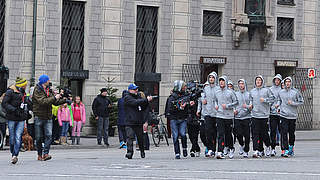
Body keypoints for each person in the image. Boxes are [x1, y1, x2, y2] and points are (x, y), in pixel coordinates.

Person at [32, 74, 66, 161]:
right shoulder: (37, 90)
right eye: (47, 80)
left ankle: (46, 153)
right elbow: (43, 102)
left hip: (48, 116)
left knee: (49, 135)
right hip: (39, 116)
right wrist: (54, 97)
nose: (48, 81)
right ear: (44, 81)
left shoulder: (48, 90)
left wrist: (63, 99)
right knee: (39, 137)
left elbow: (54, 102)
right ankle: (39, 154)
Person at [1, 77, 32, 164]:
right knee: (12, 138)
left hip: (21, 118)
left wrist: (29, 107)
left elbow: (26, 104)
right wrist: (14, 109)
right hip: (12, 117)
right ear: (22, 85)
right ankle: (12, 152)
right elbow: (4, 103)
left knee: (18, 137)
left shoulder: (24, 93)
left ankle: (15, 155)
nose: (26, 86)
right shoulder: (10, 92)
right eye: (25, 84)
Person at [167, 80, 195, 159]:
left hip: (183, 118)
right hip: (174, 119)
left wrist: (190, 105)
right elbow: (170, 109)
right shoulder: (172, 97)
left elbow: (189, 107)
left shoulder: (186, 95)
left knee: (183, 134)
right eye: (183, 87)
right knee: (175, 136)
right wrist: (179, 107)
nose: (185, 88)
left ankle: (184, 148)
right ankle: (177, 152)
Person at [123, 83, 152, 159]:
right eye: (134, 89)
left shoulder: (139, 97)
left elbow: (143, 107)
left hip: (138, 121)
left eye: (137, 89)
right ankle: (129, 152)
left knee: (140, 138)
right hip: (129, 121)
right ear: (130, 90)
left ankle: (142, 151)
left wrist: (146, 102)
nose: (136, 90)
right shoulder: (127, 97)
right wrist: (145, 100)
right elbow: (134, 103)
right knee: (130, 136)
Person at [249, 75, 275, 158]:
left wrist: (265, 100)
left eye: (260, 80)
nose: (258, 82)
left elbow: (273, 99)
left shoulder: (267, 90)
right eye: (257, 80)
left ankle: (268, 146)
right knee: (255, 134)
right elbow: (250, 100)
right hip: (254, 115)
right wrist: (250, 105)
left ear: (262, 81)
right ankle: (256, 150)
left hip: (264, 115)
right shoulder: (252, 91)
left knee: (264, 134)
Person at [277, 77, 304, 157]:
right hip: (283, 115)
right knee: (284, 133)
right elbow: (279, 100)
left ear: (291, 83)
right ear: (284, 83)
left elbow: (301, 102)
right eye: (286, 82)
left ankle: (291, 146)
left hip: (292, 116)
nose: (287, 83)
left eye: (289, 82)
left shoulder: (295, 92)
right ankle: (285, 150)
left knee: (291, 133)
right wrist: (278, 106)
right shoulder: (281, 92)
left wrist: (293, 103)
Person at [214, 76, 238, 159]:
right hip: (219, 115)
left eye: (223, 81)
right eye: (220, 81)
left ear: (226, 82)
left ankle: (231, 148)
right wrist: (216, 105)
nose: (221, 82)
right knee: (220, 134)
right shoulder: (217, 91)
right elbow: (215, 100)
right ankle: (220, 151)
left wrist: (227, 106)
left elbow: (236, 102)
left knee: (228, 134)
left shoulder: (230, 92)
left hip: (228, 116)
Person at [234, 79, 251, 158]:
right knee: (238, 134)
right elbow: (233, 103)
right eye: (239, 84)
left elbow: (251, 105)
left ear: (245, 85)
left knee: (247, 135)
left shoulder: (248, 94)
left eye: (242, 84)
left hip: (247, 117)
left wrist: (247, 107)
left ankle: (246, 151)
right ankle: (241, 144)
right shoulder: (235, 94)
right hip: (237, 117)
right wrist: (234, 110)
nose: (241, 85)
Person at [203, 71, 218, 158]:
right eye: (210, 77)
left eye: (212, 78)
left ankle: (214, 149)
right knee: (208, 131)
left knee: (214, 132)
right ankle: (209, 148)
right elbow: (203, 97)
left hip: (216, 113)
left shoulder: (218, 88)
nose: (211, 79)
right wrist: (203, 100)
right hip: (207, 112)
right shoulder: (206, 88)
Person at [269, 74, 283, 156]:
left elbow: (282, 100)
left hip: (281, 114)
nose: (277, 81)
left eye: (278, 80)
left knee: (282, 131)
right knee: (273, 131)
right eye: (276, 80)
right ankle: (273, 148)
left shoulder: (282, 89)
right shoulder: (270, 89)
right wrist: (270, 107)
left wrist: (279, 106)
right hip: (272, 114)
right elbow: (269, 99)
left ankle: (283, 149)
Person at [196, 81, 209, 157]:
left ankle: (209, 148)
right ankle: (207, 145)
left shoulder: (214, 95)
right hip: (203, 117)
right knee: (202, 134)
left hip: (211, 116)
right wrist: (198, 111)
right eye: (205, 86)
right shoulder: (202, 95)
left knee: (209, 133)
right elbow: (199, 104)